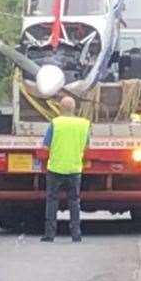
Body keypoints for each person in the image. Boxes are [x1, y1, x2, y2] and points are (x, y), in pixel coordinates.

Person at [42, 96, 90, 243]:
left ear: (60, 108)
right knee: (74, 201)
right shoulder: (83, 124)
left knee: (52, 201)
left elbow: (45, 146)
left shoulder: (55, 123)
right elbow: (87, 146)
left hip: (55, 168)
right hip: (74, 169)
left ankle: (50, 234)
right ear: (74, 108)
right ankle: (76, 234)